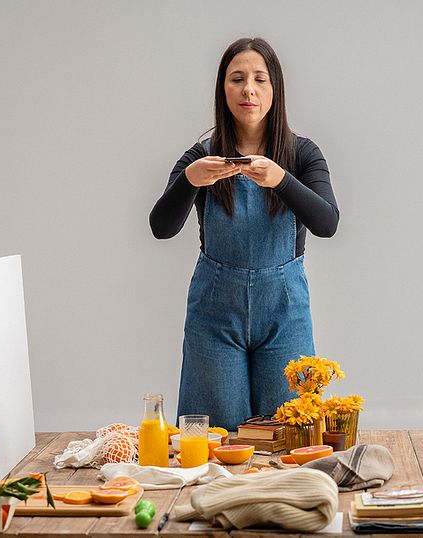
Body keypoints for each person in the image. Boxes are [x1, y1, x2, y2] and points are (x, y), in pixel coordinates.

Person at [149, 37, 339, 431]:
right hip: (214, 318)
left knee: (293, 435)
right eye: (237, 79)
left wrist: (282, 179)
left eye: (259, 79)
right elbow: (160, 227)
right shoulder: (199, 156)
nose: (248, 89)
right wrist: (189, 179)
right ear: (223, 89)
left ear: (275, 89)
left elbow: (327, 223)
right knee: (215, 442)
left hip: (285, 316)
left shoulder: (302, 154)